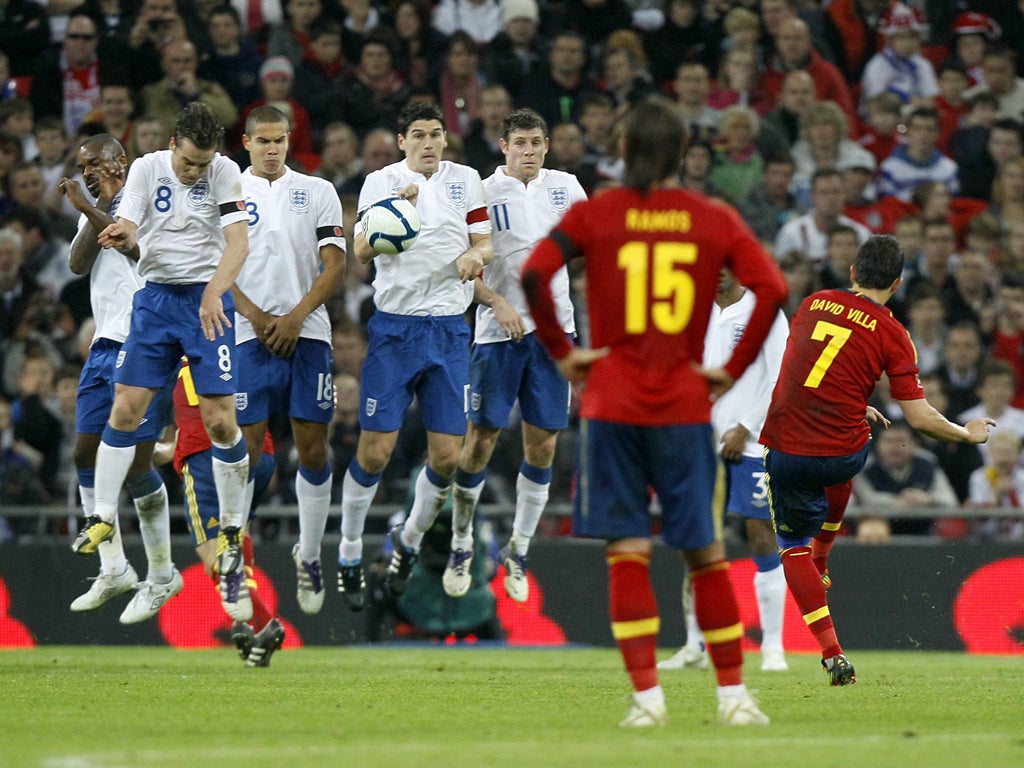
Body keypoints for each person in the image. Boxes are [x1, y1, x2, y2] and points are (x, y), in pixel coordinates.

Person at [521, 96, 787, 728]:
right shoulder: (711, 217)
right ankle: (733, 698)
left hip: (612, 404)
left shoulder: (597, 213)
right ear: (679, 155)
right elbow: (773, 288)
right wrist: (729, 368)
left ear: (622, 150)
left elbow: (535, 273)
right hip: (684, 408)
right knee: (704, 553)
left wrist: (564, 352)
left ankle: (646, 700)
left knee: (628, 552)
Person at [759, 234, 994, 687]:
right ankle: (824, 555)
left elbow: (805, 368)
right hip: (845, 456)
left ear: (852, 273)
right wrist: (967, 432)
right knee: (851, 446)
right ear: (898, 283)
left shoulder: (812, 302)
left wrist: (845, 399)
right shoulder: (892, 333)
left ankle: (831, 653)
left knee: (791, 547)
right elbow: (920, 417)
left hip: (786, 448)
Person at [73, 103, 253, 625]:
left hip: (205, 300)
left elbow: (238, 241)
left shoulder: (224, 172)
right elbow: (129, 221)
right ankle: (103, 519)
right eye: (190, 162)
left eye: (203, 163)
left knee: (221, 420)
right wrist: (119, 233)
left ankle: (233, 530)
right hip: (155, 302)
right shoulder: (150, 167)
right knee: (125, 410)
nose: (196, 171)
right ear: (173, 143)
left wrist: (216, 291)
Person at [335, 100, 492, 611]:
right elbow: (359, 252)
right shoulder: (381, 181)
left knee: (448, 457)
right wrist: (390, 215)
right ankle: (351, 549)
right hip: (395, 330)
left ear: (446, 140)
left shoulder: (467, 179)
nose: (428, 142)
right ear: (402, 141)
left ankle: (405, 543)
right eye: (418, 134)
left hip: (449, 330)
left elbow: (484, 243)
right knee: (376, 451)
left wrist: (474, 254)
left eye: (436, 134)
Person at [441, 107, 586, 602]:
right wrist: (498, 302)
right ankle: (462, 540)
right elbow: (463, 265)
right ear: (503, 146)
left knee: (542, 447)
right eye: (519, 143)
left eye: (536, 142)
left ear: (547, 145)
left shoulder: (568, 188)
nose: (528, 151)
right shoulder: (482, 191)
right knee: (480, 441)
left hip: (553, 335)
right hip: (495, 332)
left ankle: (518, 550)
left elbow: (591, 250)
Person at [59, 133, 182, 623]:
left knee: (134, 463)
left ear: (120, 161)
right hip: (104, 342)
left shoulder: (152, 199)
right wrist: (95, 206)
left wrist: (95, 208)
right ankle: (114, 568)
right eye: (82, 166)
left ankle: (163, 573)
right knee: (83, 452)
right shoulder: (99, 207)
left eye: (94, 164)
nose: (87, 172)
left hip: (145, 341)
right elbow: (76, 263)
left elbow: (142, 255)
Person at [232, 105, 346, 615]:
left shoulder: (317, 190)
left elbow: (335, 263)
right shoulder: (226, 188)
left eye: (280, 141)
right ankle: (234, 551)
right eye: (263, 141)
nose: (272, 149)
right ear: (247, 141)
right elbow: (213, 263)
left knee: (313, 447)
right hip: (244, 333)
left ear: (289, 140)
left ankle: (309, 552)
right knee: (247, 452)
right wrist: (256, 316)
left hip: (310, 333)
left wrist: (297, 316)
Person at [659, 267, 791, 673]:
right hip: (699, 442)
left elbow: (780, 378)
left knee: (761, 533)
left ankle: (772, 647)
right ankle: (695, 645)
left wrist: (745, 427)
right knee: (697, 538)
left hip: (751, 443)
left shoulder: (766, 312)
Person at [157, 358, 285, 666]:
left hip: (202, 454)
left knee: (213, 553)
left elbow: (171, 429)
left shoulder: (161, 356)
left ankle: (263, 623)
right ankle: (244, 625)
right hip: (257, 451)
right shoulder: (229, 345)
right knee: (237, 537)